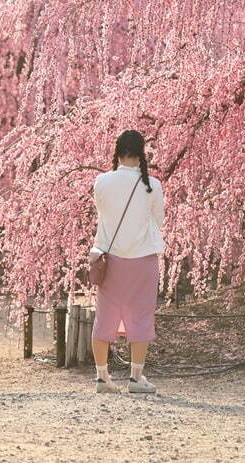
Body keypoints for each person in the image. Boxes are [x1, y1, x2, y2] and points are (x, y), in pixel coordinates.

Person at [89, 130, 165, 394]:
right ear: (141, 153)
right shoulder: (152, 185)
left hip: (109, 260)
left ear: (117, 151)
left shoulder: (102, 182)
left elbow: (102, 212)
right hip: (143, 259)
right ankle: (136, 378)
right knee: (141, 317)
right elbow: (159, 220)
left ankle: (102, 378)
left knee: (104, 317)